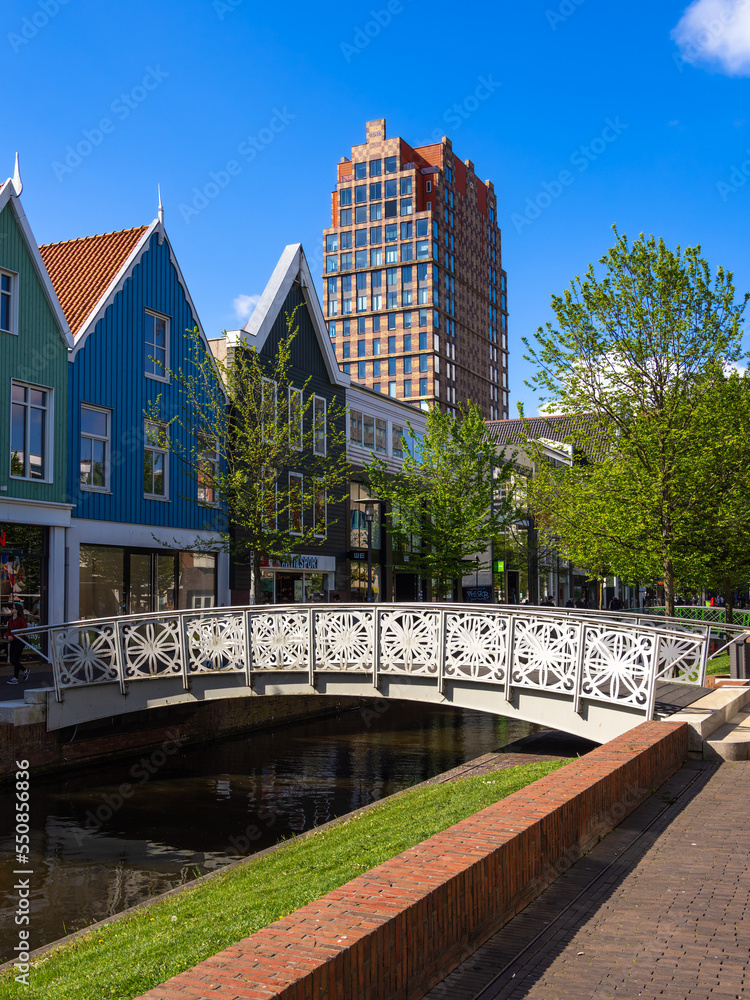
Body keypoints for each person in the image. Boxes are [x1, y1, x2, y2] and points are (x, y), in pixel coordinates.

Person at [6, 606, 28, 684]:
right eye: (11, 608)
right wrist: (8, 636)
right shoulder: (10, 620)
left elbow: (24, 631)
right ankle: (24, 670)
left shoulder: (21, 620)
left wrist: (12, 636)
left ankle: (16, 678)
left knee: (16, 658)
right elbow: (9, 630)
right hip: (13, 640)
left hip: (20, 640)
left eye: (13, 608)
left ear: (17, 610)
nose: (11, 609)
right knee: (12, 660)